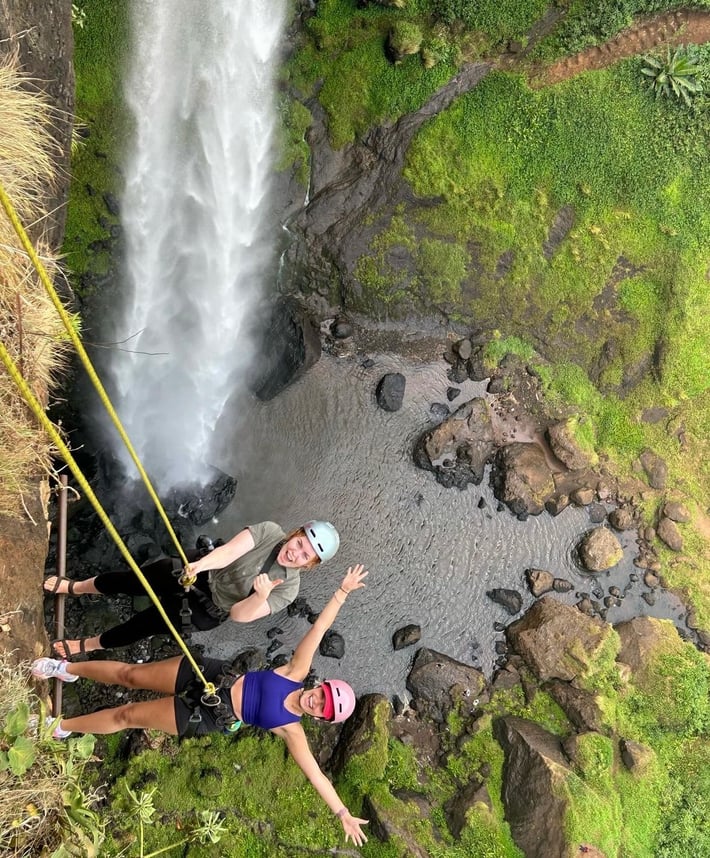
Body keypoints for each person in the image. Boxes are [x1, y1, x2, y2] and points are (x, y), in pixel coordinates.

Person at [33, 564, 369, 846]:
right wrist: (342, 592)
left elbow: (317, 776)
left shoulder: (291, 730)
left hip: (209, 714)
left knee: (129, 715)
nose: (316, 701)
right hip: (212, 675)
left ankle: (60, 728)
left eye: (322, 708)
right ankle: (65, 669)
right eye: (322, 695)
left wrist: (341, 813)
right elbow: (320, 627)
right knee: (130, 675)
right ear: (320, 686)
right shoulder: (295, 672)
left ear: (320, 718)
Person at [45, 520, 340, 659]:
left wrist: (260, 597)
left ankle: (89, 644)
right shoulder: (270, 532)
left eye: (305, 555)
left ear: (309, 564)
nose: (295, 553)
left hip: (208, 609)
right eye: (299, 543)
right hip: (200, 571)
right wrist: (199, 566)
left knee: (143, 625)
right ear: (295, 533)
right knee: (133, 580)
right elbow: (230, 552)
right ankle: (78, 587)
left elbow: (238, 615)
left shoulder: (287, 588)